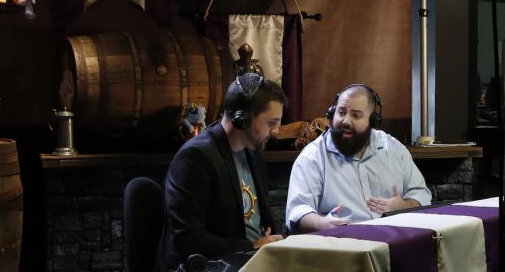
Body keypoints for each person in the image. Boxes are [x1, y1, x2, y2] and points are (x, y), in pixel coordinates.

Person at [165, 73, 286, 261]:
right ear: (242, 118)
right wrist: (251, 246)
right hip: (213, 271)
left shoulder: (253, 153)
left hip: (253, 263)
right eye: (271, 123)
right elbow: (188, 238)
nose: (276, 132)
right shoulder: (195, 158)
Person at [287, 84, 430, 233]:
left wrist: (404, 207)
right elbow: (297, 211)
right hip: (343, 246)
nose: (346, 121)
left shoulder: (393, 148)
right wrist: (323, 223)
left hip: (394, 243)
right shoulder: (313, 156)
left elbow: (421, 193)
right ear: (331, 114)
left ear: (373, 121)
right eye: (341, 112)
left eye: (356, 115)